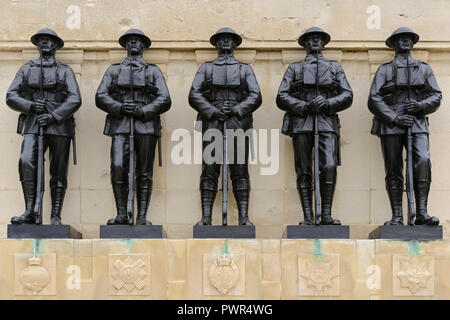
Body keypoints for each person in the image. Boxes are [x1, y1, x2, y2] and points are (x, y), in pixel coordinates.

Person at [276, 27, 353, 225]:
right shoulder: (295, 68)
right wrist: (303, 105)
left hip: (326, 122)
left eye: (318, 39)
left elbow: (347, 94)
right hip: (301, 122)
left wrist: (328, 103)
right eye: (311, 39)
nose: (315, 42)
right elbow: (281, 96)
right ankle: (308, 217)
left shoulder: (335, 67)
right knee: (303, 170)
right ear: (305, 44)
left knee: (328, 166)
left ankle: (326, 214)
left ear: (324, 43)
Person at [96, 29, 171, 225]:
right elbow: (101, 96)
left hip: (146, 125)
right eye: (130, 41)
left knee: (144, 171)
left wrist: (144, 110)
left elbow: (164, 98)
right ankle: (121, 214)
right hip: (121, 124)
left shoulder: (153, 71)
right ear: (125, 45)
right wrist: (120, 107)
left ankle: (142, 216)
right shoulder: (113, 70)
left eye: (138, 41)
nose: (134, 44)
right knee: (118, 167)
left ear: (144, 46)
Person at [7, 28, 81, 225]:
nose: (45, 43)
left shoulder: (65, 71)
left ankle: (55, 215)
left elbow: (75, 99)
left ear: (56, 45)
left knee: (58, 171)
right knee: (26, 162)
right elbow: (11, 96)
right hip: (33, 123)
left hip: (59, 125)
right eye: (41, 40)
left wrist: (54, 115)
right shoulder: (26, 69)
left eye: (49, 40)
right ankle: (30, 210)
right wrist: (30, 106)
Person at [368, 27, 441, 226]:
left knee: (423, 162)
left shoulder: (423, 68)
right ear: (393, 43)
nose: (405, 41)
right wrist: (394, 118)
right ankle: (397, 216)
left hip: (416, 121)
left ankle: (422, 212)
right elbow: (374, 99)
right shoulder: (384, 70)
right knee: (393, 168)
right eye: (401, 39)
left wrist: (420, 106)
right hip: (391, 123)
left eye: (408, 38)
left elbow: (436, 95)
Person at [189, 27, 262, 226]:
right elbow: (194, 94)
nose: (226, 42)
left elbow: (255, 95)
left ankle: (244, 218)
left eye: (229, 39)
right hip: (212, 122)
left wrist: (237, 109)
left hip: (238, 122)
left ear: (235, 43)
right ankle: (206, 218)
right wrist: (213, 110)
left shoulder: (244, 68)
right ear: (216, 43)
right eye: (222, 39)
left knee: (240, 170)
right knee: (210, 170)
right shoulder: (206, 68)